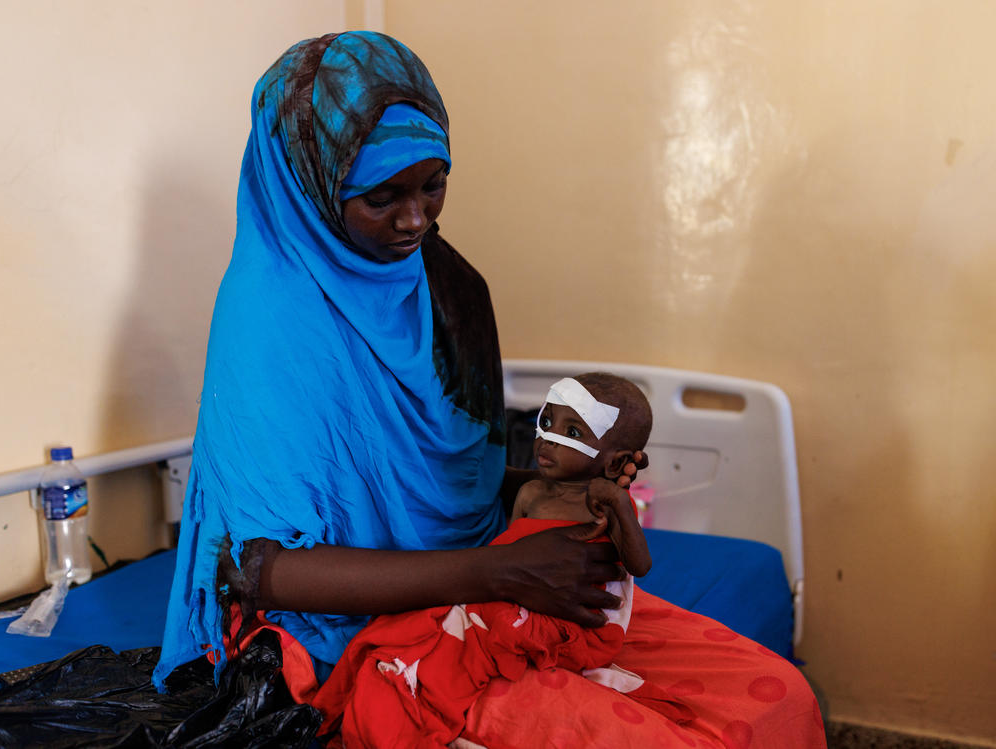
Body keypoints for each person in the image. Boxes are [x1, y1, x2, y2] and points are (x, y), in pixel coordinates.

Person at [154, 30, 826, 748]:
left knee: (780, 696)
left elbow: (455, 480)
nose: (416, 220)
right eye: (382, 196)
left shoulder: (449, 287)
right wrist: (498, 569)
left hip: (493, 584)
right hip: (345, 626)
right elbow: (255, 572)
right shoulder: (272, 320)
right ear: (312, 185)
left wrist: (571, 489)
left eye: (433, 184)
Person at [313, 372, 703, 747]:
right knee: (402, 628)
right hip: (513, 591)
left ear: (616, 464)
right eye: (546, 421)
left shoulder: (603, 507)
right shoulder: (531, 493)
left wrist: (621, 505)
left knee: (446, 641)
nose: (547, 440)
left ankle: (417, 692)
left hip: (570, 616)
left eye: (571, 433)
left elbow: (640, 566)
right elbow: (508, 553)